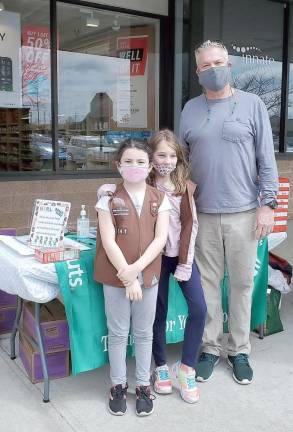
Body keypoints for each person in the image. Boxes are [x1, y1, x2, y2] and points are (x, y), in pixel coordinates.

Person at [179, 40, 278, 385]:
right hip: (202, 214)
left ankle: (239, 351)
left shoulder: (253, 105)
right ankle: (209, 347)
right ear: (197, 72)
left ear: (230, 65)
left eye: (219, 63)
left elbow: (267, 159)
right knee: (206, 285)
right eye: (206, 66)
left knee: (241, 284)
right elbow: (181, 161)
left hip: (244, 214)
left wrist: (268, 204)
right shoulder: (190, 109)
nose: (213, 70)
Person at [94, 138, 170, 417]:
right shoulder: (108, 198)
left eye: (140, 161)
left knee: (143, 333)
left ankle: (142, 385)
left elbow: (160, 239)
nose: (134, 166)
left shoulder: (159, 199)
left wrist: (135, 270)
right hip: (115, 277)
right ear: (118, 165)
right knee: (117, 333)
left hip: (147, 276)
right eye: (128, 161)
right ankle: (117, 385)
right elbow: (108, 240)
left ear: (150, 166)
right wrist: (127, 278)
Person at [148, 129, 207, 403]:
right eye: (161, 154)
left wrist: (185, 263)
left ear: (179, 158)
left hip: (181, 256)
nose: (167, 160)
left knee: (199, 307)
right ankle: (160, 367)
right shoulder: (144, 185)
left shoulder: (185, 187)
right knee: (156, 311)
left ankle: (186, 369)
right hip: (155, 258)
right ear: (151, 156)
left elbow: (190, 225)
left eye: (172, 155)